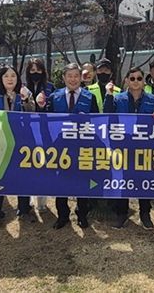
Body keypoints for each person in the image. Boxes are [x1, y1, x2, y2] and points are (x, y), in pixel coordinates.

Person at [104, 67, 154, 230]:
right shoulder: (118, 98)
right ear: (127, 81)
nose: (136, 81)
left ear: (144, 82)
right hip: (123, 145)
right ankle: (122, 214)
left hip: (144, 147)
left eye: (139, 78)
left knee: (144, 180)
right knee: (123, 180)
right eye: (132, 78)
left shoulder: (151, 99)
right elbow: (107, 114)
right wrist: (108, 95)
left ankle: (145, 214)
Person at [48, 63, 100, 229]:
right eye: (69, 76)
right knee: (60, 182)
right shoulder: (54, 97)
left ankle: (82, 214)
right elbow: (46, 120)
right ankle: (62, 215)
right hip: (60, 147)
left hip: (82, 147)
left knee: (82, 181)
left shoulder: (89, 97)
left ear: (81, 78)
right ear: (64, 78)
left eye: (76, 76)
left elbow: (98, 121)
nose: (73, 79)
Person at [0, 65, 36, 230]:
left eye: (13, 76)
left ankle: (24, 210)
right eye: (6, 76)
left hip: (21, 143)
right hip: (0, 144)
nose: (10, 79)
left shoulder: (24, 94)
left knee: (23, 176)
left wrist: (26, 100)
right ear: (0, 79)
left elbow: (33, 112)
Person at [25, 58, 56, 211]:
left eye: (38, 70)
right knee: (29, 164)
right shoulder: (24, 87)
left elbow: (54, 108)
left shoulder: (50, 87)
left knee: (43, 164)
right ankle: (30, 196)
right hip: (28, 130)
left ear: (43, 71)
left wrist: (44, 106)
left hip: (45, 131)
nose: (35, 73)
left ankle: (42, 200)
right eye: (32, 70)